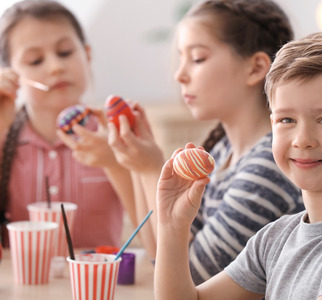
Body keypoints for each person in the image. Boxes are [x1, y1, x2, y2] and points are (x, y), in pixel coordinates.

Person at [153, 30, 322, 299]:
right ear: (273, 125)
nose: (302, 140)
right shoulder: (274, 238)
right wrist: (172, 226)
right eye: (287, 120)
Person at [108, 0, 304, 284]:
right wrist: (139, 166)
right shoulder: (222, 152)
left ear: (255, 67)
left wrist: (152, 168)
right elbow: (160, 255)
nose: (180, 75)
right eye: (181, 58)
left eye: (197, 58)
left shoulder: (269, 164)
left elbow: (193, 276)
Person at [0, 0, 136, 248]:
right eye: (35, 61)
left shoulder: (117, 137)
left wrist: (115, 163)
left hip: (97, 287)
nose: (56, 67)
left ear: (87, 54)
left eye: (65, 53)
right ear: (10, 74)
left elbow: (152, 226)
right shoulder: (4, 137)